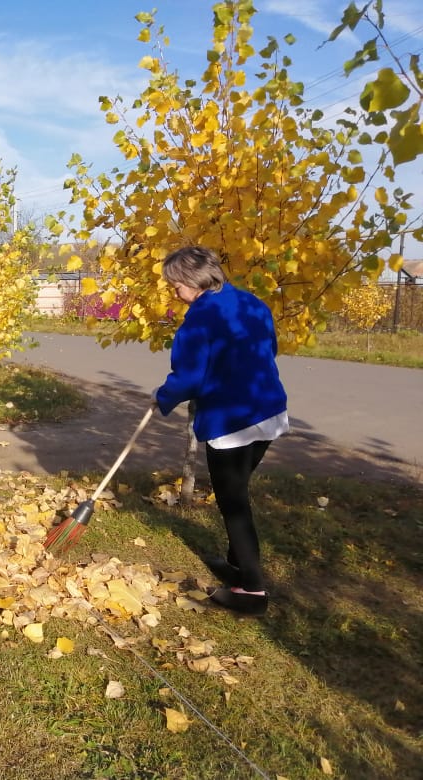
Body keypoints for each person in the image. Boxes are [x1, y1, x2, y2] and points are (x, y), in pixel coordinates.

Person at [154, 245, 289, 616]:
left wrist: (163, 397)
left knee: (233, 504)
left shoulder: (200, 318)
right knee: (238, 490)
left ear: (192, 282)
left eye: (175, 286)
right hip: (269, 412)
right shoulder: (252, 303)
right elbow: (270, 349)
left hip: (232, 422)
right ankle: (236, 565)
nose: (174, 293)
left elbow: (189, 377)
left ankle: (252, 591)